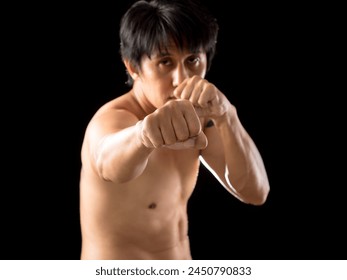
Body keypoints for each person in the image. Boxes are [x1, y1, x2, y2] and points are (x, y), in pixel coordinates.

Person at [79, 0, 270, 260]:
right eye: (165, 62)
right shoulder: (111, 119)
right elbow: (108, 161)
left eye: (192, 60)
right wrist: (144, 136)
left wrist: (227, 115)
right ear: (133, 67)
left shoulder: (202, 116)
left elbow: (255, 192)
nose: (182, 78)